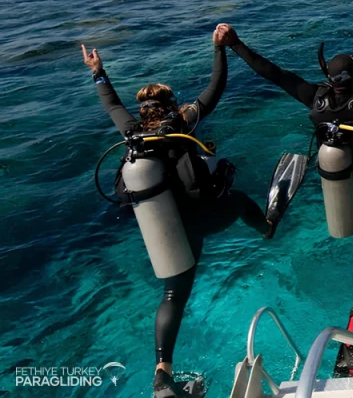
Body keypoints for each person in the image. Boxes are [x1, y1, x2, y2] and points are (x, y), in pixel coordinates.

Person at [216, 4, 353, 377]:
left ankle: (269, 222)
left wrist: (235, 43)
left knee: (317, 177)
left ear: (330, 79)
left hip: (333, 185)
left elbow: (273, 73)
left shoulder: (315, 99)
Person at [82, 26, 274, 398]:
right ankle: (266, 228)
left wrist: (98, 71)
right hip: (199, 219)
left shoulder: (133, 133)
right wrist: (219, 49)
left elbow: (111, 104)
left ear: (143, 111)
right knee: (237, 200)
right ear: (171, 106)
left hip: (166, 230)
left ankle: (162, 377)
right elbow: (215, 89)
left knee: (173, 296)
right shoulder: (183, 123)